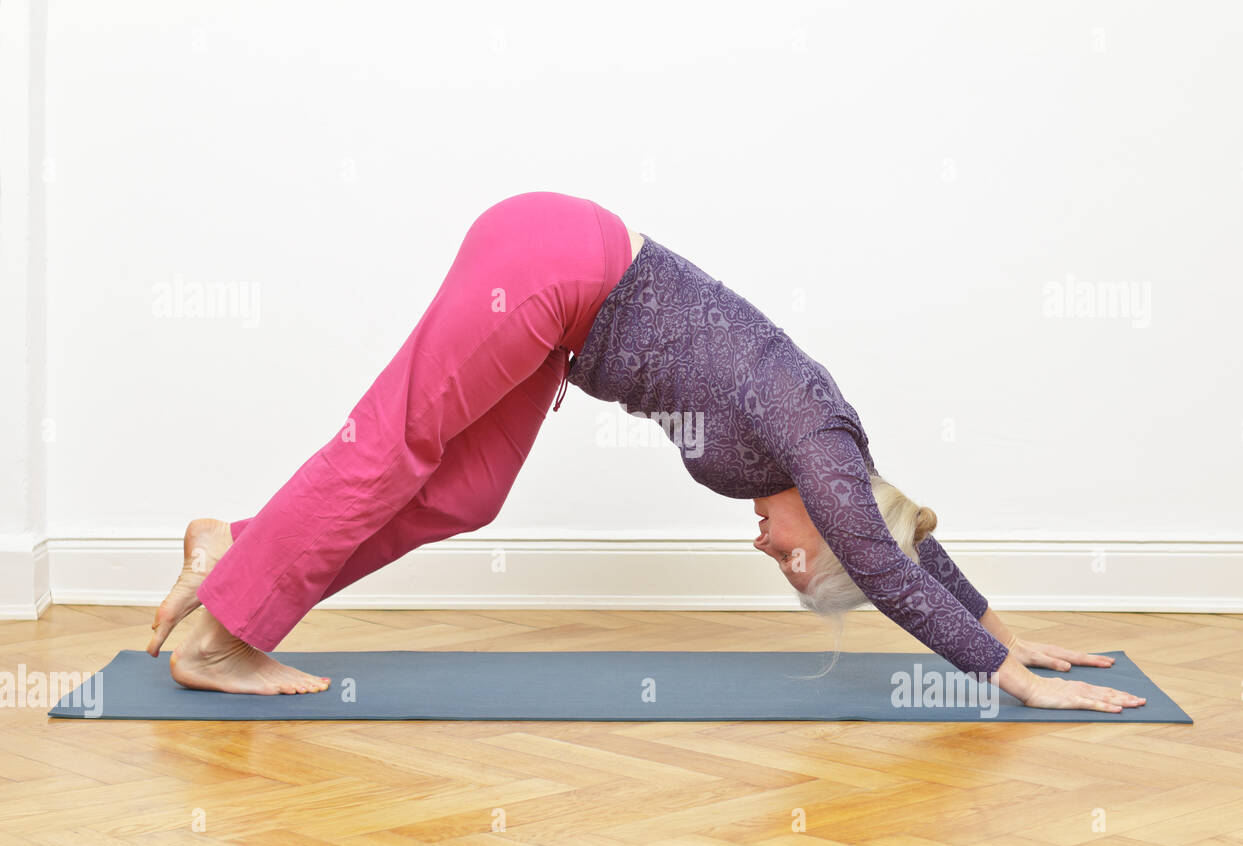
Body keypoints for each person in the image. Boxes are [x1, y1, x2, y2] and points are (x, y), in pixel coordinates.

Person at [147, 190, 1145, 714]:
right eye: (804, 562)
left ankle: (235, 546)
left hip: (561, 307)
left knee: (467, 493)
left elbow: (906, 539)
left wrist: (1008, 629)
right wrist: (1011, 677)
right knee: (396, 444)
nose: (776, 557)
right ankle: (224, 635)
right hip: (556, 265)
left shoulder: (833, 470)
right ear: (835, 528)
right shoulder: (823, 454)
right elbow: (886, 561)